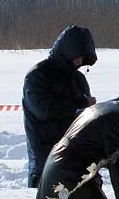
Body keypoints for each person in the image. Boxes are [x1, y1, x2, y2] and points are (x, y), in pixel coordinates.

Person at [23, 26, 97, 188]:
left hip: (77, 154)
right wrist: (79, 105)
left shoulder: (77, 78)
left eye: (83, 58)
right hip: (46, 156)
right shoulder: (38, 75)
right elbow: (43, 110)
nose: (80, 62)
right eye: (78, 57)